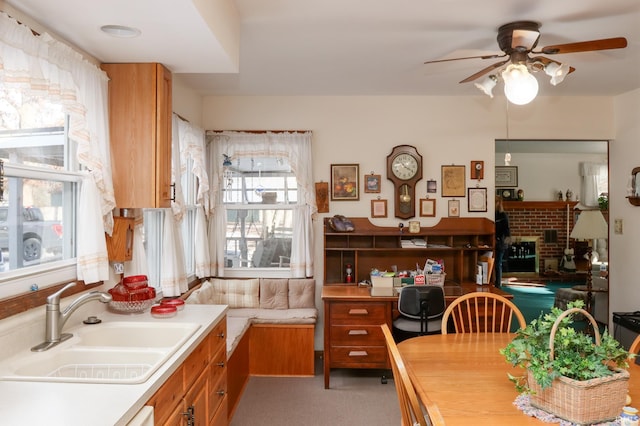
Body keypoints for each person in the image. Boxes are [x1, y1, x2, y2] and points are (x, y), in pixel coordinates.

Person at [495, 196, 511, 287]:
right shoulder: (493, 214)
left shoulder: (502, 215)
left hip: (500, 242)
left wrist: (504, 242)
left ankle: (498, 284)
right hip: (496, 241)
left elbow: (507, 231)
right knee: (496, 264)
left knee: (498, 264)